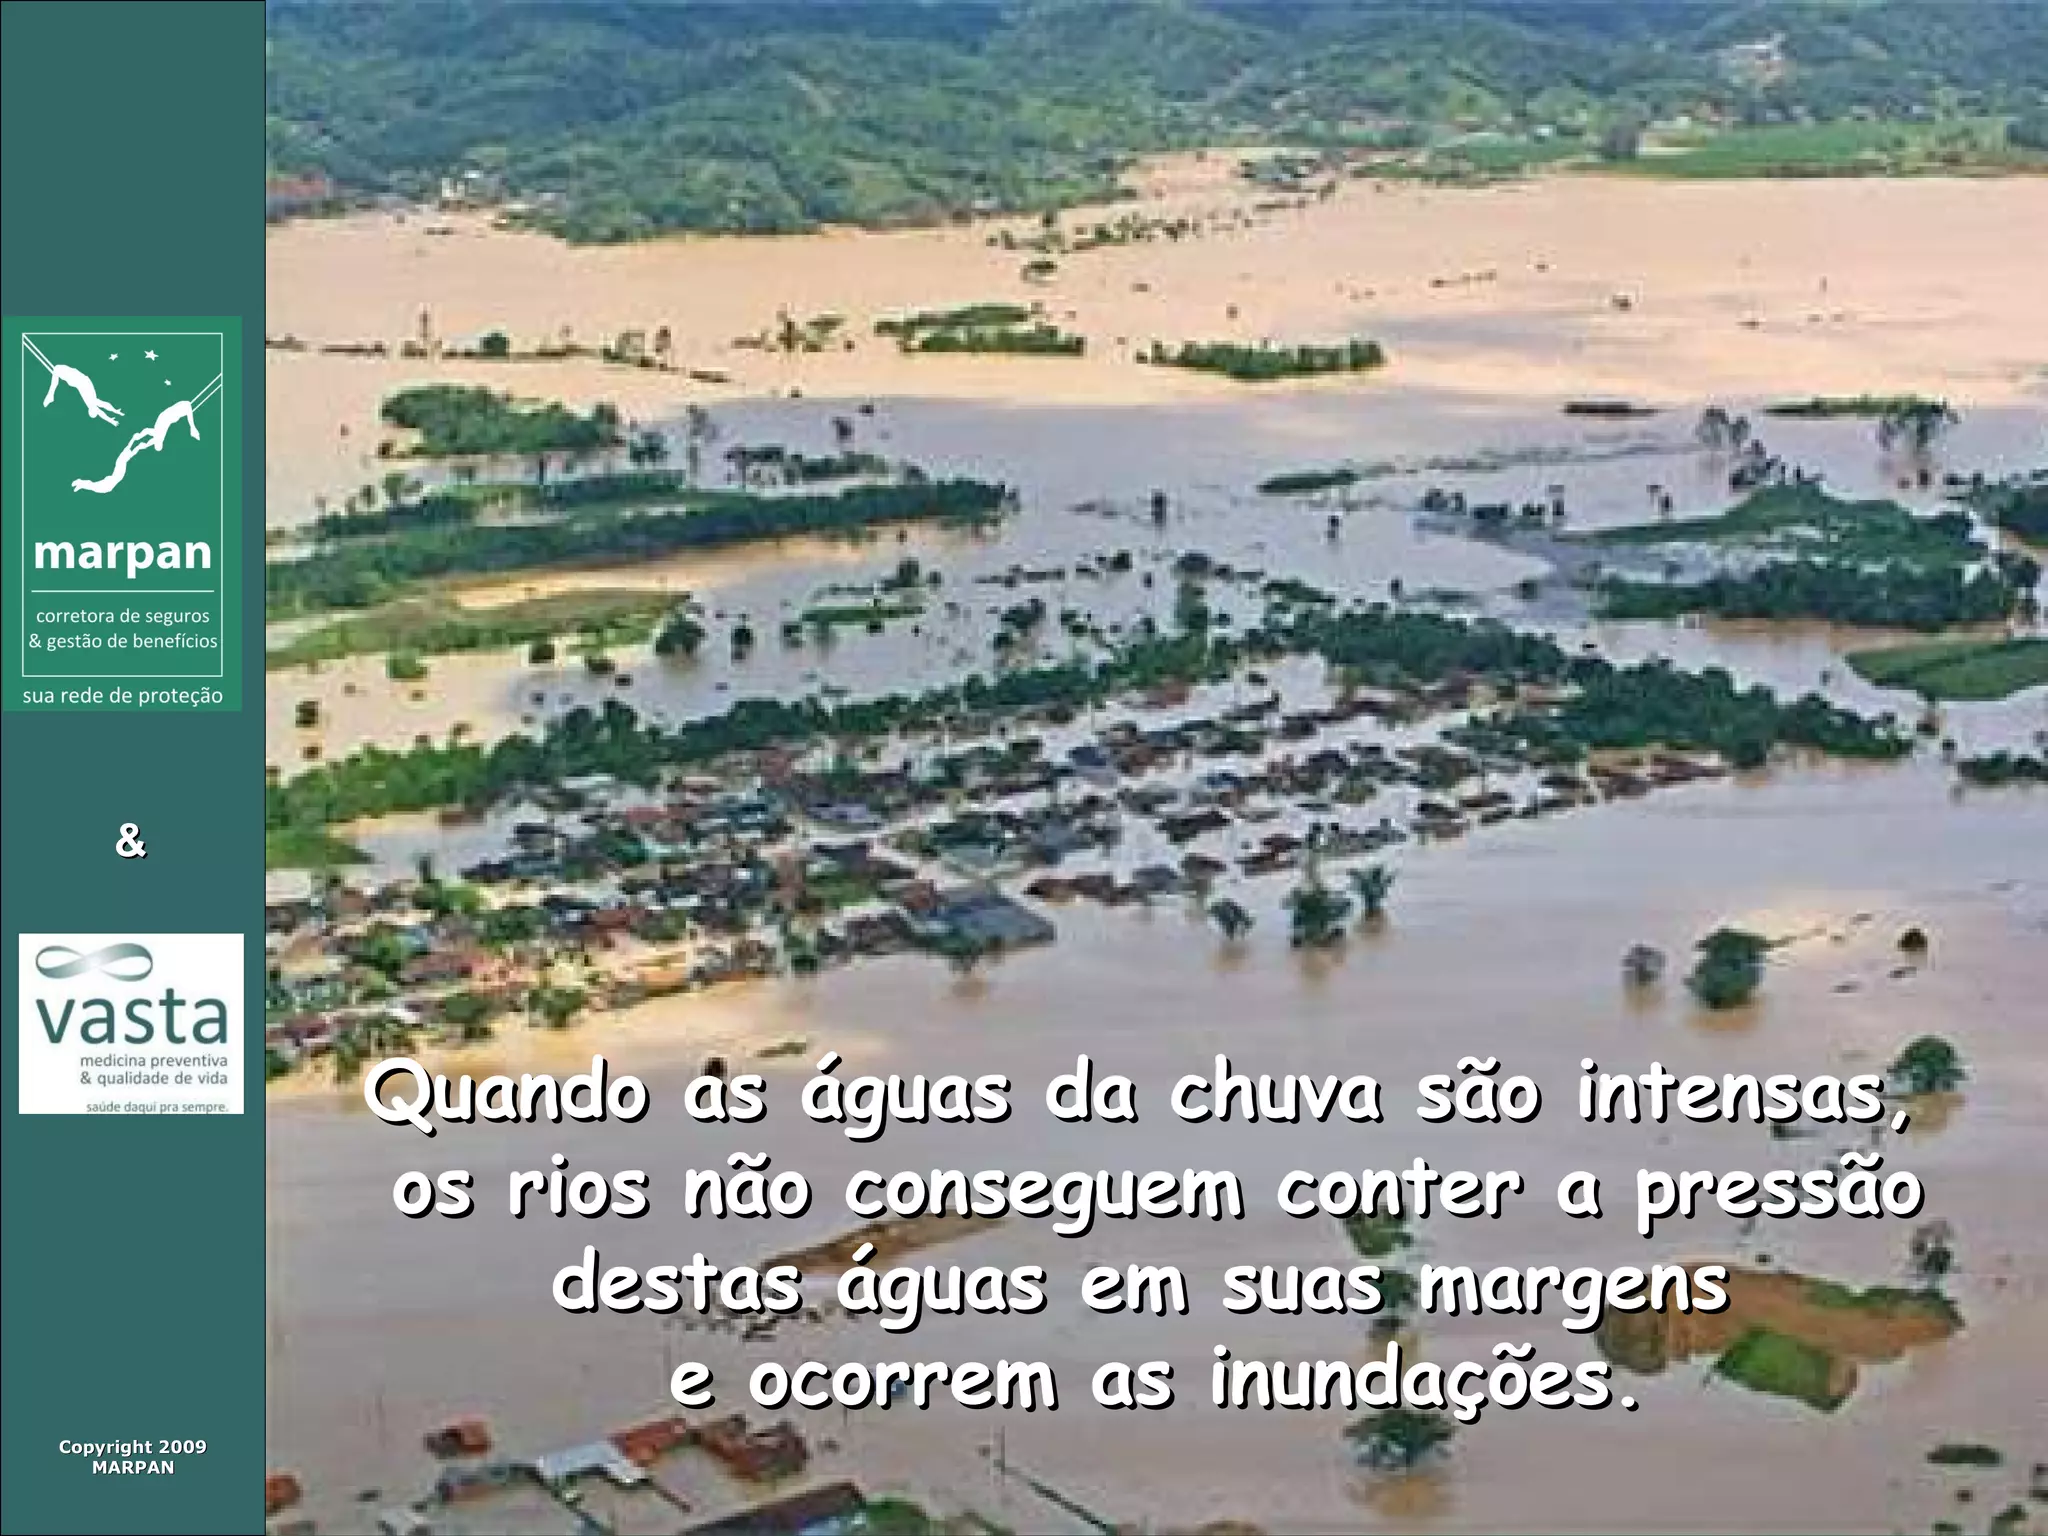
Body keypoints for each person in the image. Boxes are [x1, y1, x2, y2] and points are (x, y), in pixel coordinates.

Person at [43, 363, 123, 425]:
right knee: (56, 370)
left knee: (56, 369)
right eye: (94, 410)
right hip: (79, 380)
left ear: (90, 410)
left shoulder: (91, 403)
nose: (93, 409)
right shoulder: (93, 402)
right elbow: (104, 407)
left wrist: (112, 418)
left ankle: (50, 395)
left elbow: (102, 410)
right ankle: (50, 395)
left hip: (77, 380)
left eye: (92, 410)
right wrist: (114, 412)